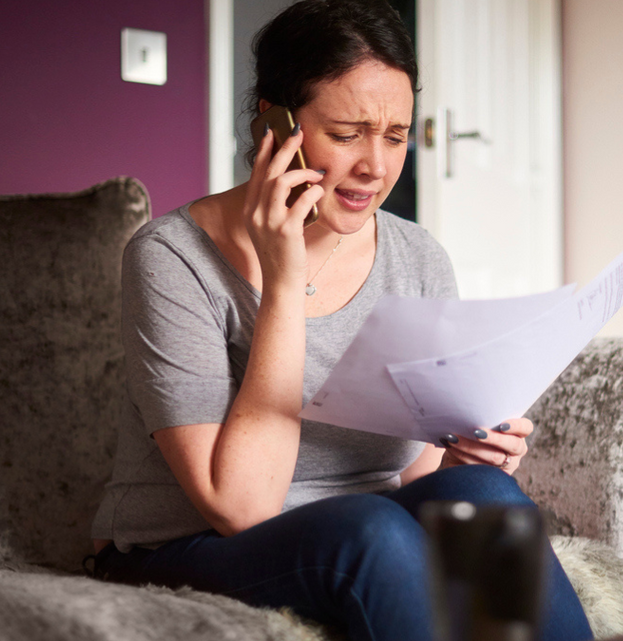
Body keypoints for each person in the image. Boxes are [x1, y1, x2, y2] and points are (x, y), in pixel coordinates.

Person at [87, 1, 593, 640]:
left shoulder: (418, 258)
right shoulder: (170, 258)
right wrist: (282, 280)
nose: (376, 167)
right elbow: (240, 508)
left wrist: (462, 454)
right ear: (273, 124)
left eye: (396, 135)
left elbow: (407, 474)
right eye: (348, 134)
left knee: (487, 499)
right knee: (369, 529)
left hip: (360, 528)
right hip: (182, 549)